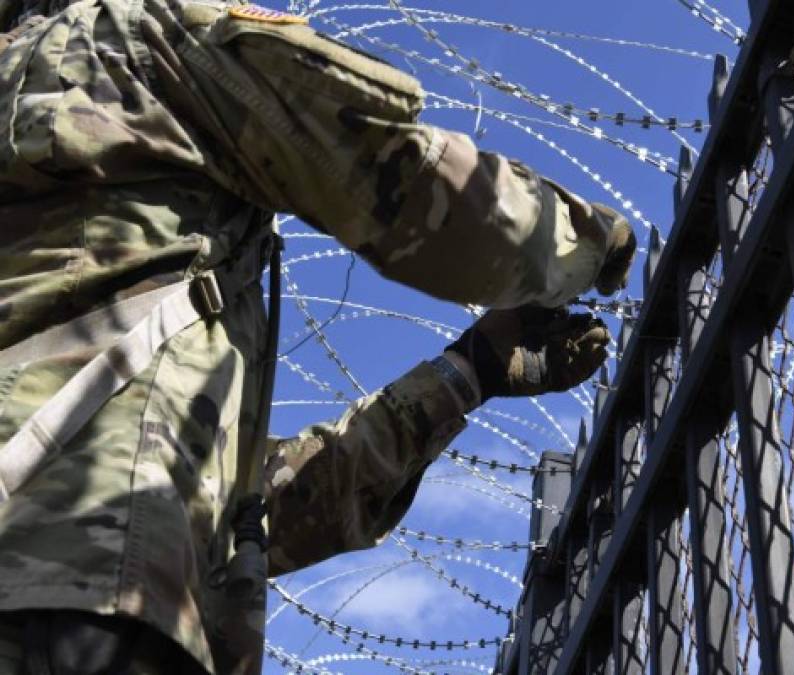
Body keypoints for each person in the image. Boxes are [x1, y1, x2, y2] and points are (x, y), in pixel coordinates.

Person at [0, 0, 637, 672]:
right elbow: (400, 179)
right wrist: (593, 242)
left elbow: (257, 511)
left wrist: (466, 371)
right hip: (70, 605)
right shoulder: (137, 36)